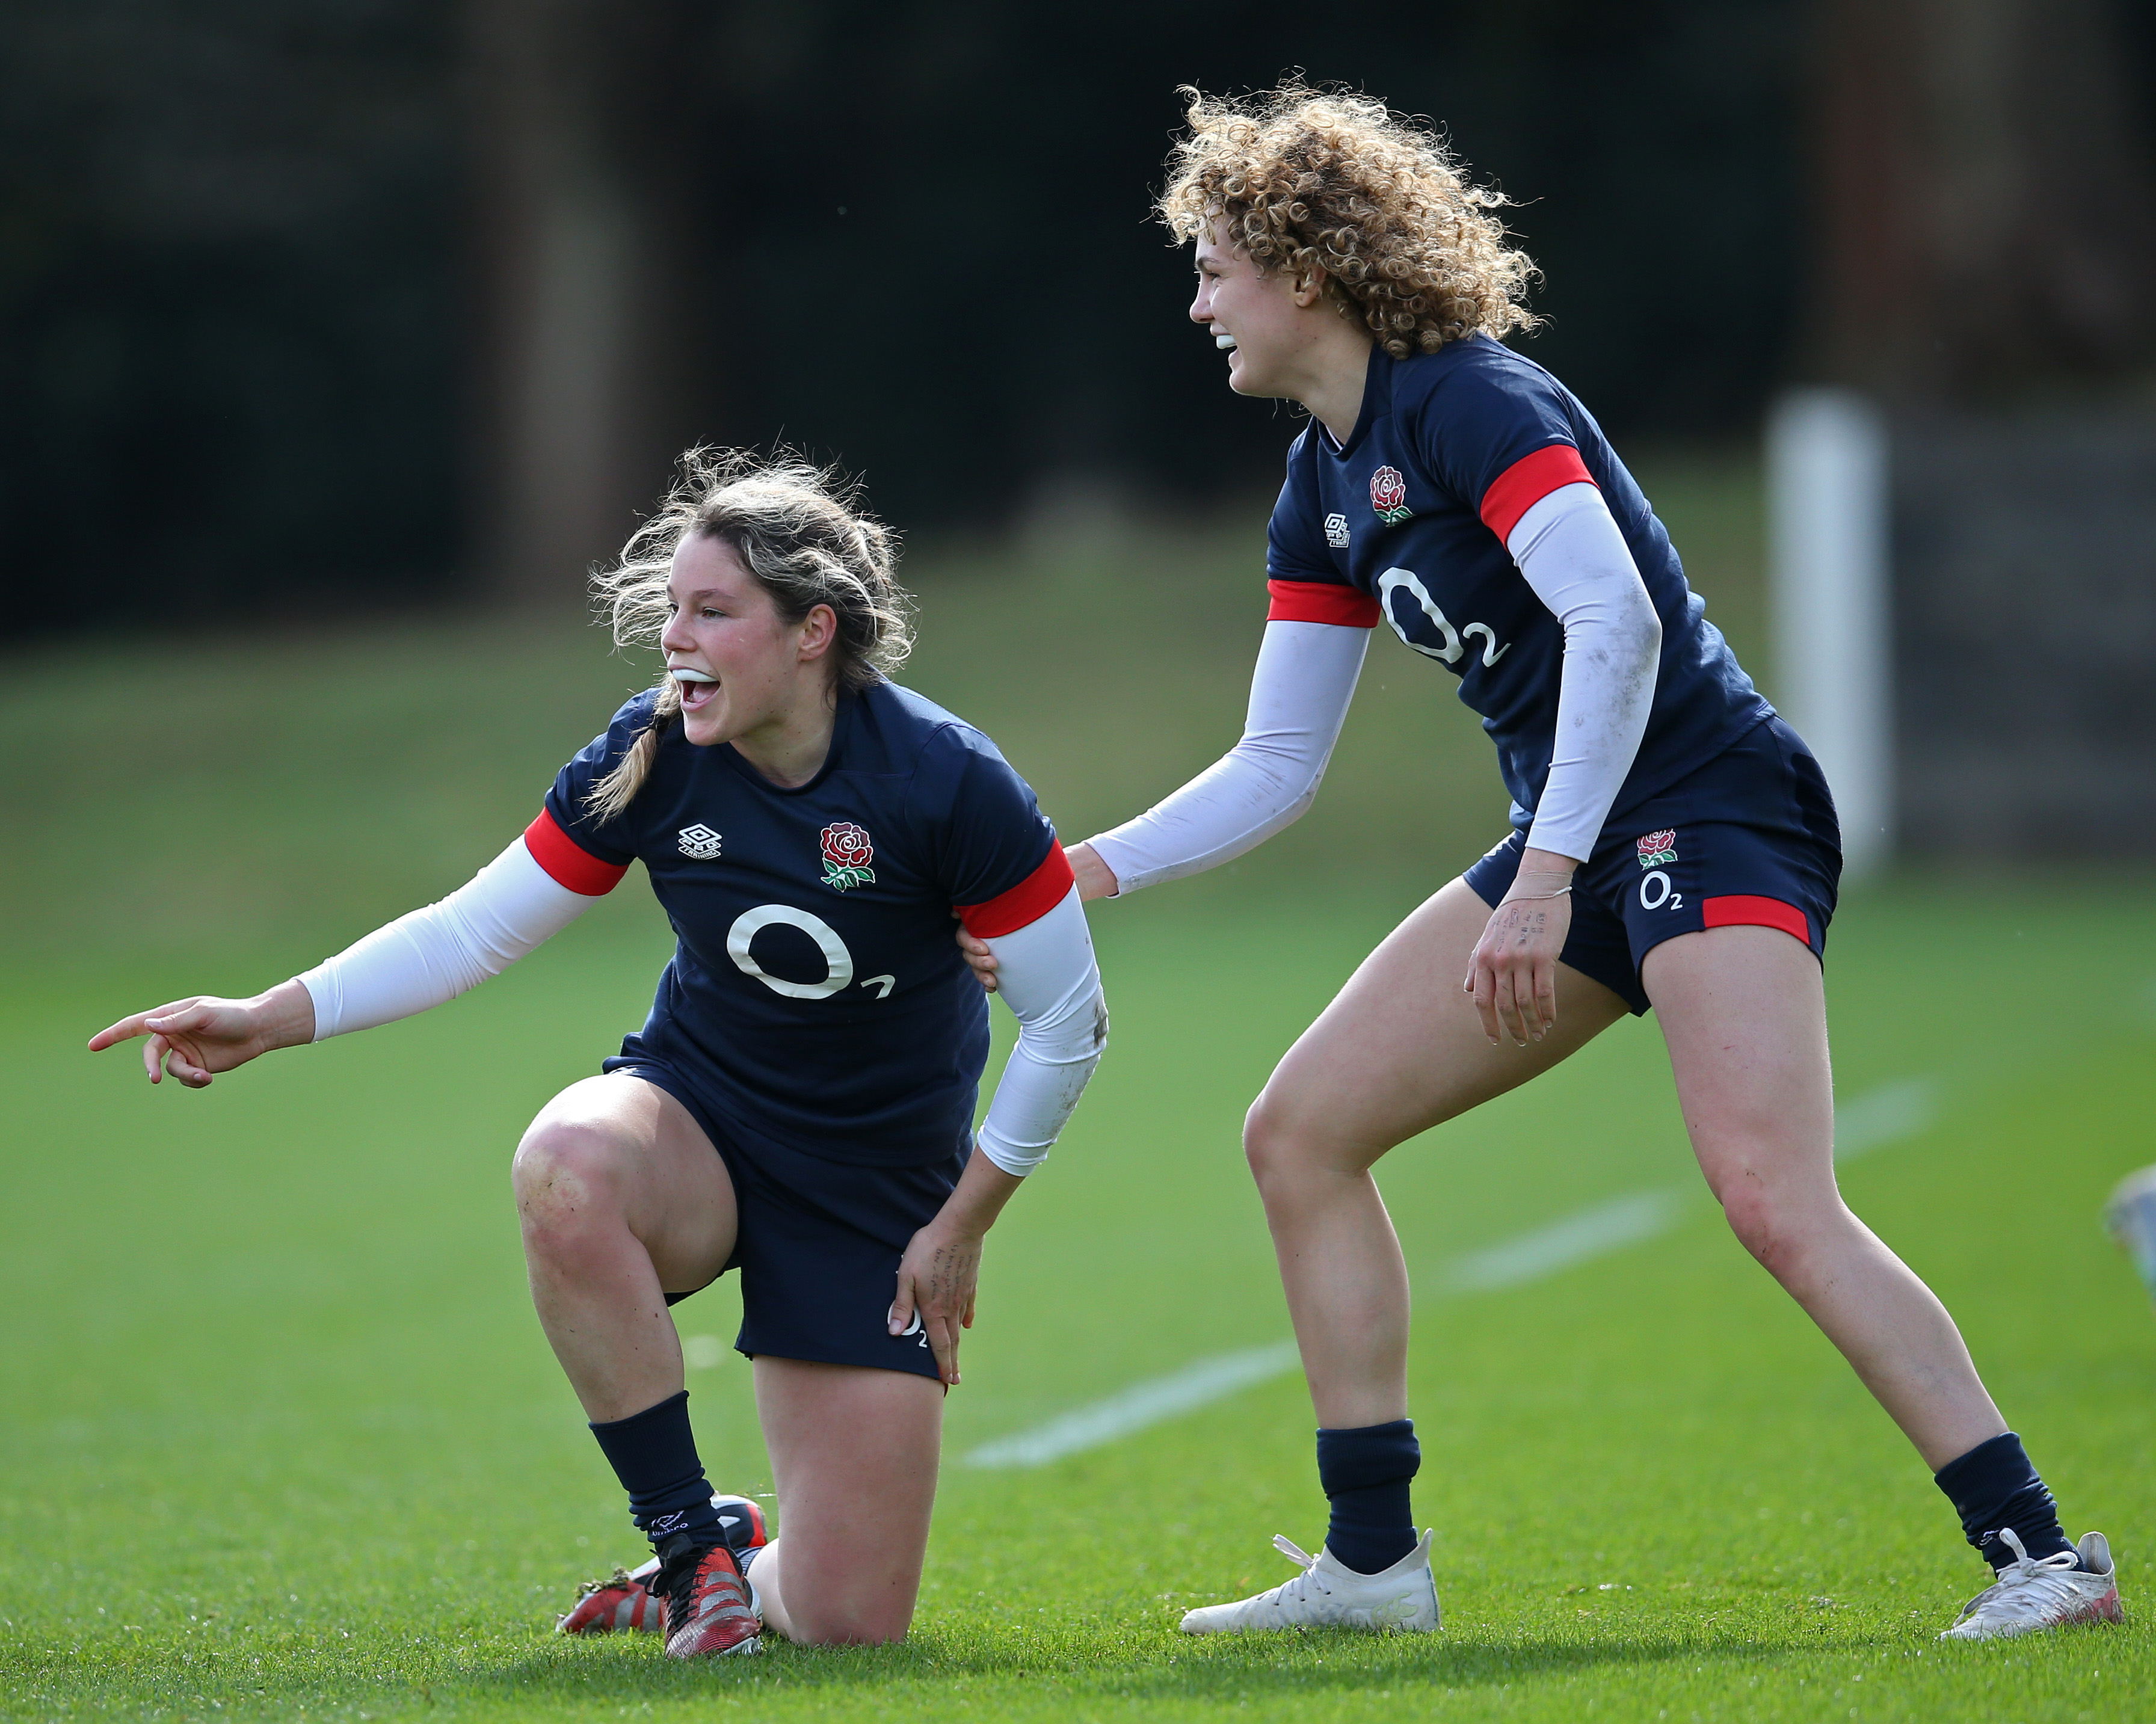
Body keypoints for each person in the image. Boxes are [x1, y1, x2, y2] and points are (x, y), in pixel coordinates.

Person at [962, 84, 2118, 1643]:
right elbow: (1279, 764)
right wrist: (1083, 870)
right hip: (1569, 846)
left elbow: (1619, 621)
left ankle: (2045, 1556)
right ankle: (1374, 1565)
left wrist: (1550, 869)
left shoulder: (1472, 402)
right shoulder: (1322, 481)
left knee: (1775, 1198)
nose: (1196, 301)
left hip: (1711, 810)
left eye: (1215, 265)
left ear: (1303, 272)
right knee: (1299, 1132)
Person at [91, 451, 1109, 1657]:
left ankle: (748, 1550)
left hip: (875, 1189)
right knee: (568, 1160)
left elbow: (1069, 1021)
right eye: (669, 608)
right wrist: (274, 1010)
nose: (674, 637)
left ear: (811, 631)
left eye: (711, 610)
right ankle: (689, 1546)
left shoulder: (950, 783)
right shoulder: (657, 746)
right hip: (702, 1128)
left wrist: (961, 1225)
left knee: (850, 1622)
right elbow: (476, 926)